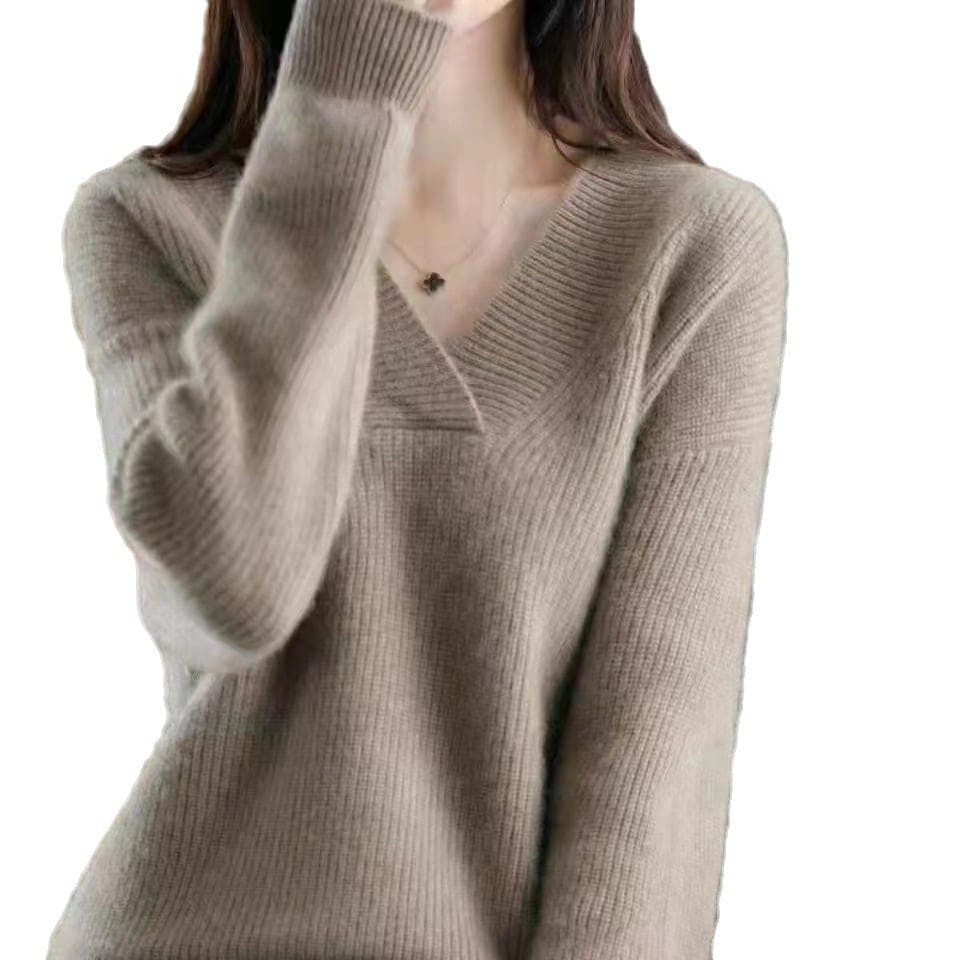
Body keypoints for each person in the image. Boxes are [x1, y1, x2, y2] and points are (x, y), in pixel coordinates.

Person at [49, 0, 789, 956]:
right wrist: (350, 87)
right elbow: (231, 589)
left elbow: (651, 763)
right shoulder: (149, 219)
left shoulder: (691, 244)